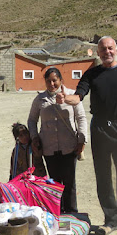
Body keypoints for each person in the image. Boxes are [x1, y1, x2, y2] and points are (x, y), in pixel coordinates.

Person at [58, 36, 117, 235]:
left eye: (110, 48)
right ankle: (111, 220)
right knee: (103, 177)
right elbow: (78, 97)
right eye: (103, 49)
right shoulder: (92, 74)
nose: (107, 52)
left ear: (116, 49)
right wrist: (64, 98)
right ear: (98, 52)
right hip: (99, 129)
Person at [28, 67, 87, 213]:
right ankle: (56, 212)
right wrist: (34, 137)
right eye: (48, 81)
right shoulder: (39, 99)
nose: (52, 84)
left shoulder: (73, 96)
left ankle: (72, 212)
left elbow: (81, 118)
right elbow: (31, 120)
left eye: (55, 80)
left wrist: (82, 140)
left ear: (61, 80)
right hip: (49, 147)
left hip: (69, 146)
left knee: (69, 182)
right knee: (54, 183)